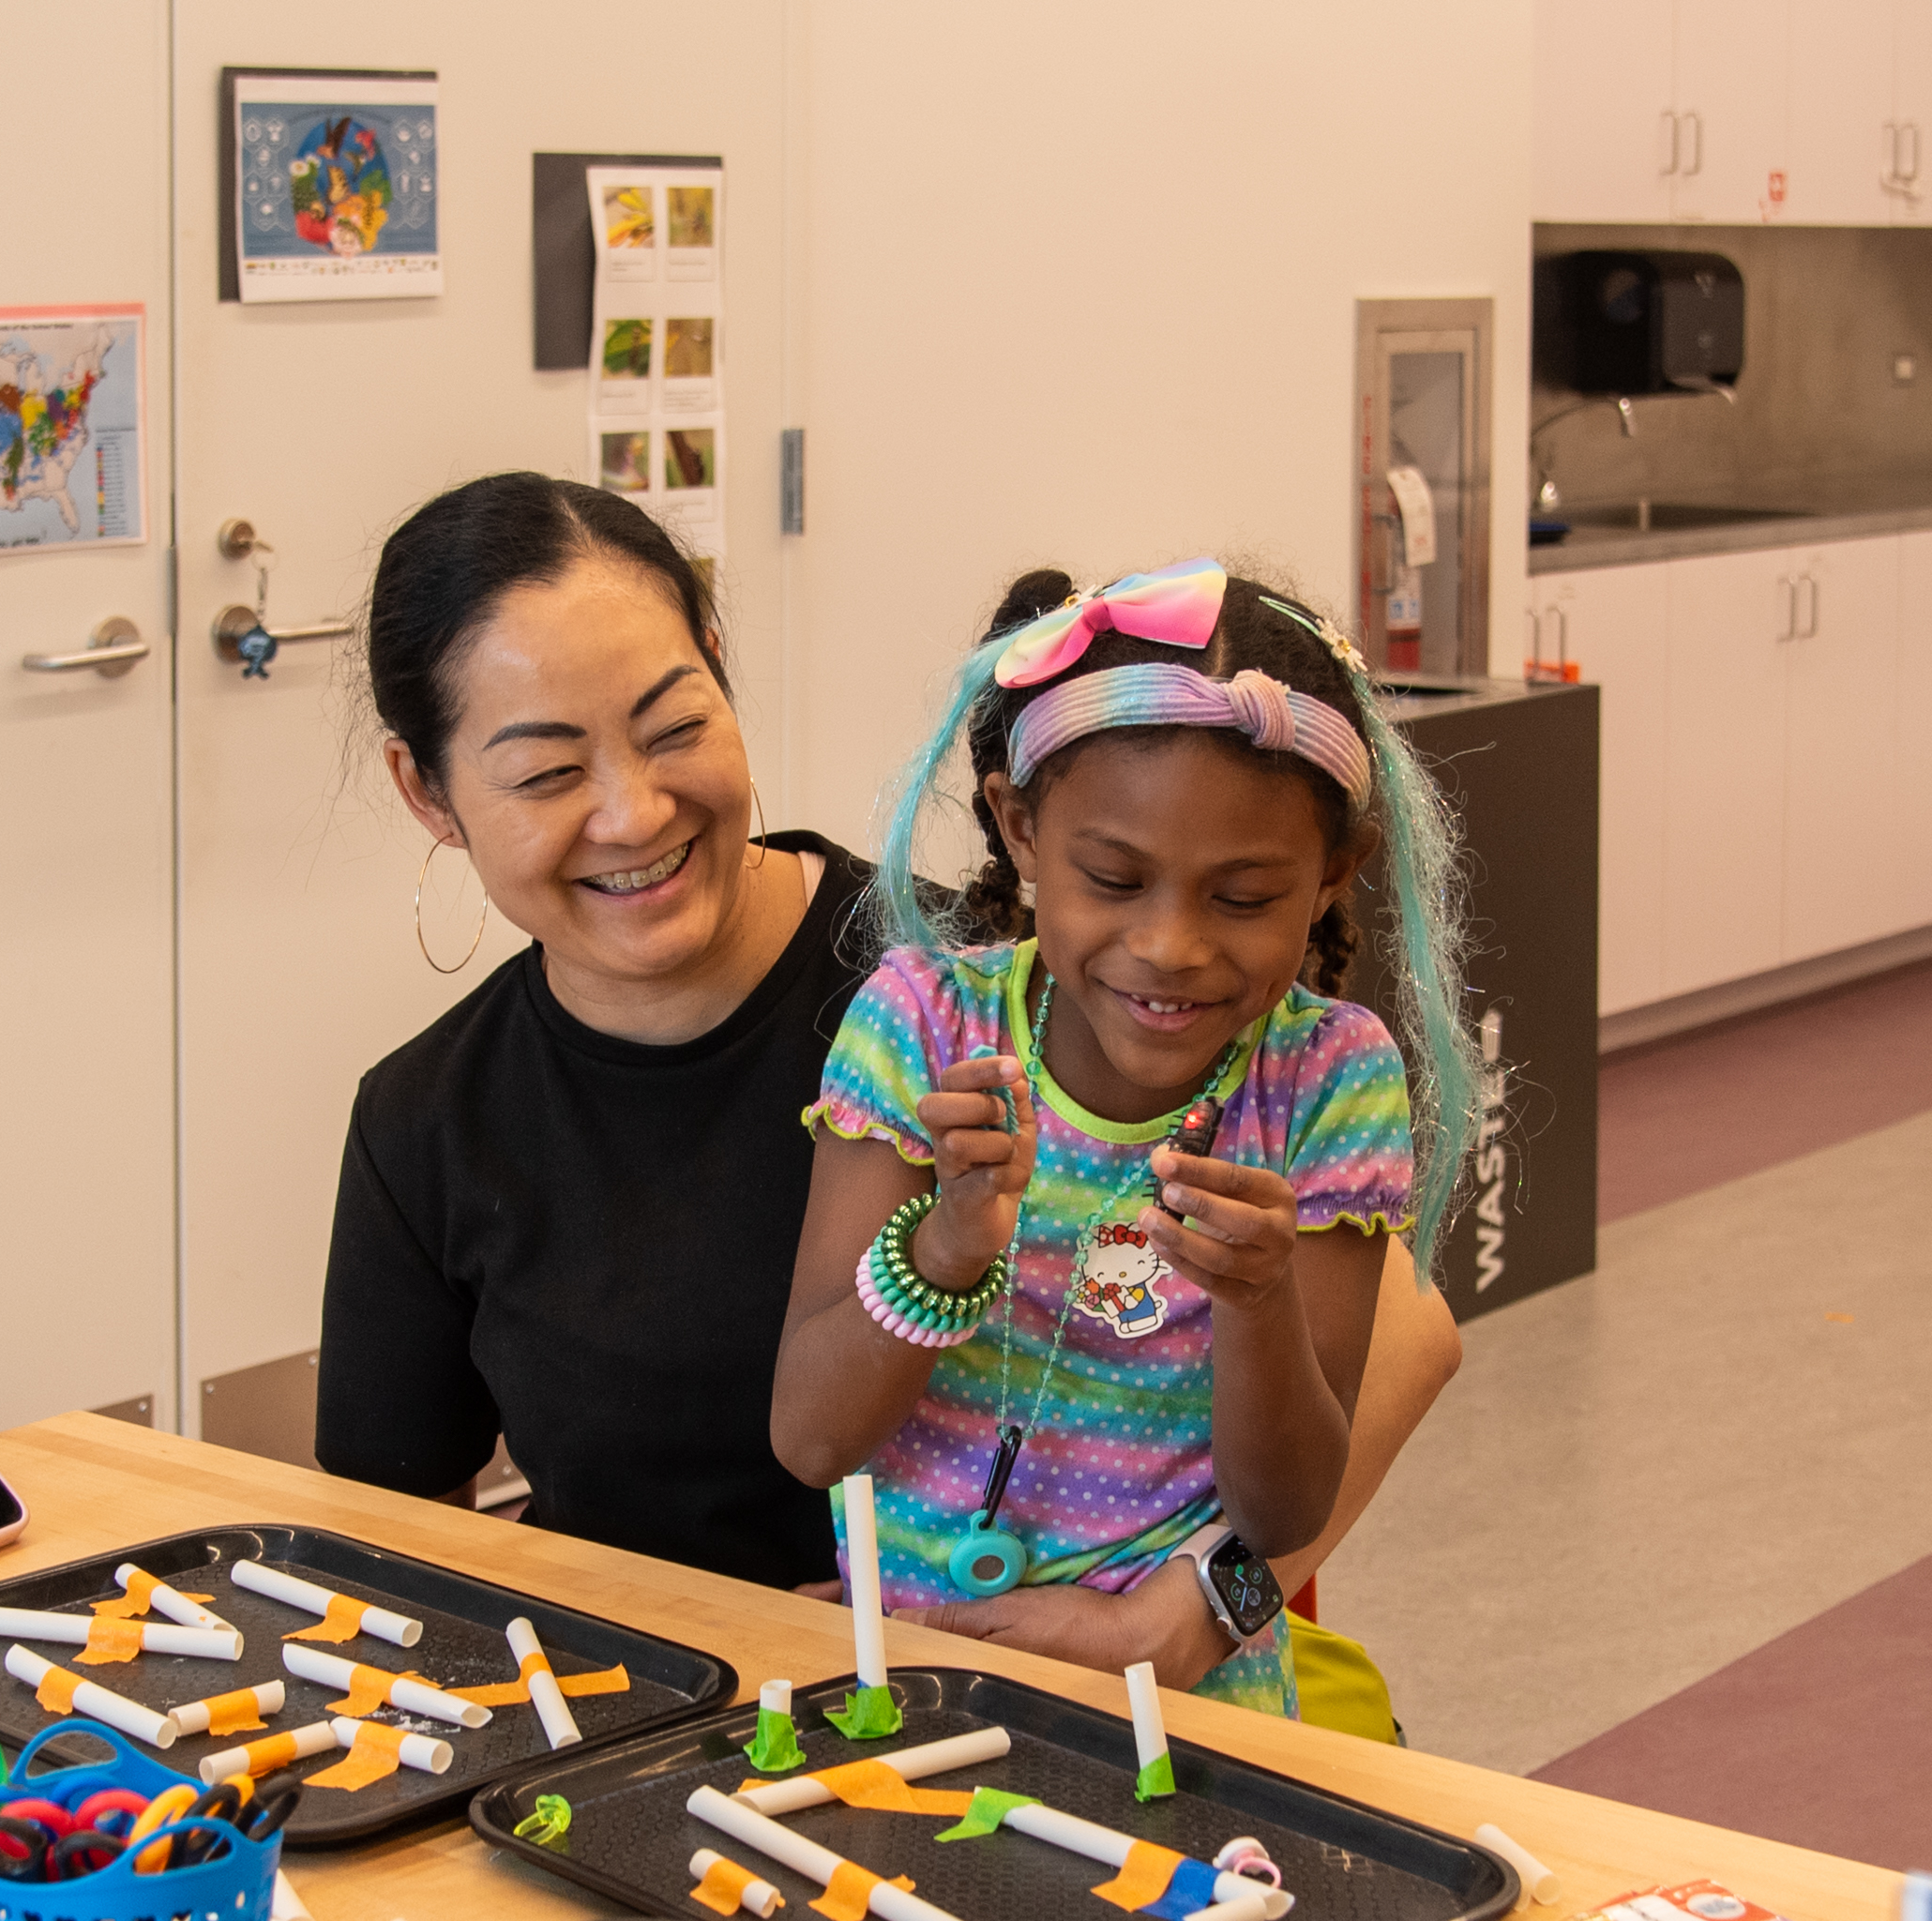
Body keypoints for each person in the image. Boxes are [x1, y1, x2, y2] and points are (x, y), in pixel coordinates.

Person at [320, 481, 1457, 1709]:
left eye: (669, 726)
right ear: (429, 793)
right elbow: (408, 1562)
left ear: (721, 669)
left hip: (1095, 1692)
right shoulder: (429, 1121)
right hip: (673, 1720)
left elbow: (1402, 1344)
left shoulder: (1011, 981)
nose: (632, 811)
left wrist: (1202, 1608)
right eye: (546, 773)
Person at [772, 558, 1486, 1721]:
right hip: (909, 1686)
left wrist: (1256, 1304)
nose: (1170, 946)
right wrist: (945, 1247)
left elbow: (1287, 1513)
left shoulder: (1328, 1080)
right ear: (1019, 829)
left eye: (1244, 897)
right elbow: (808, 1437)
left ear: (1330, 879)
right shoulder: (921, 1027)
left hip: (1186, 1717)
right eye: (1115, 878)